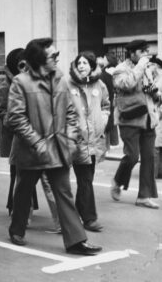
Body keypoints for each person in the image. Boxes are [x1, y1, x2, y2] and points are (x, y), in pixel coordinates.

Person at [7, 37, 102, 255]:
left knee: (64, 192)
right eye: (54, 55)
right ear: (40, 58)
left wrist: (69, 137)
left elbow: (70, 110)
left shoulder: (60, 80)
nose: (58, 59)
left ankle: (76, 241)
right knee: (23, 191)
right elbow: (16, 118)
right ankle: (17, 228)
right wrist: (37, 142)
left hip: (58, 148)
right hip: (32, 151)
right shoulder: (21, 82)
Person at [0, 48, 60, 233]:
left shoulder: (41, 82)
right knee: (21, 182)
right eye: (21, 64)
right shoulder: (7, 86)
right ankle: (21, 218)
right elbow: (1, 110)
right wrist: (15, 121)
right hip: (19, 139)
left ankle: (59, 221)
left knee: (46, 182)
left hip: (41, 139)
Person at [61, 51, 109, 232]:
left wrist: (103, 120)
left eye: (85, 63)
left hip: (94, 140)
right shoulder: (67, 84)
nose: (81, 66)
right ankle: (89, 218)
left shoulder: (100, 84)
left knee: (86, 180)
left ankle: (80, 213)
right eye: (79, 62)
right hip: (76, 139)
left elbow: (106, 105)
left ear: (92, 66)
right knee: (85, 179)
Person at [111, 39, 161, 209]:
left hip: (148, 118)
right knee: (132, 156)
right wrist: (140, 66)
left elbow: (150, 91)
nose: (145, 55)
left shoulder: (147, 70)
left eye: (146, 51)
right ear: (132, 53)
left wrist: (156, 94)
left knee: (149, 158)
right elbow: (127, 84)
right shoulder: (120, 70)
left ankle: (144, 196)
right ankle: (118, 180)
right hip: (129, 119)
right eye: (142, 52)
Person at [99, 52, 119, 147]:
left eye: (104, 58)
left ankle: (108, 144)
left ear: (108, 60)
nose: (103, 60)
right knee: (113, 120)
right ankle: (114, 141)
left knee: (107, 120)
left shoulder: (104, 73)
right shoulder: (118, 71)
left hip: (107, 99)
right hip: (116, 99)